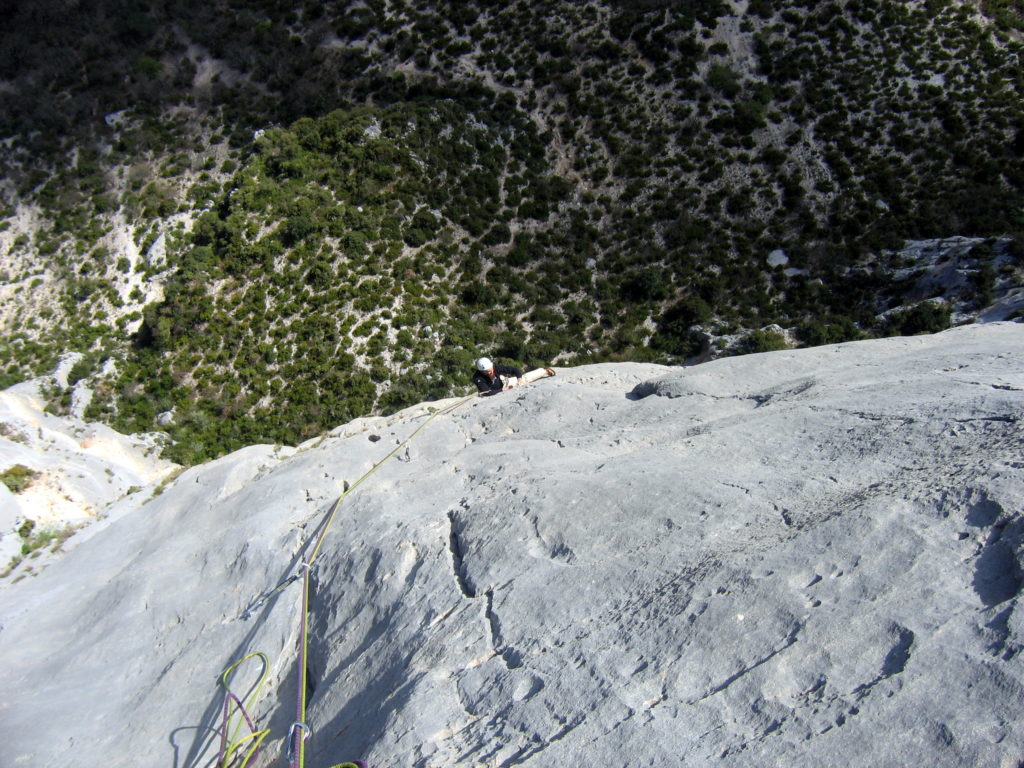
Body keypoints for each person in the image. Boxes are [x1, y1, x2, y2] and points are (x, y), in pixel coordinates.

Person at [472, 357, 555, 396]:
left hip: (504, 382)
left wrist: (519, 379)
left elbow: (514, 369)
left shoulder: (495, 368)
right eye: (488, 371)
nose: (491, 371)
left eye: (491, 369)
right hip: (496, 389)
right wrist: (502, 390)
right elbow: (487, 392)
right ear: (482, 371)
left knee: (525, 379)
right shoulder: (478, 378)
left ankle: (544, 371)